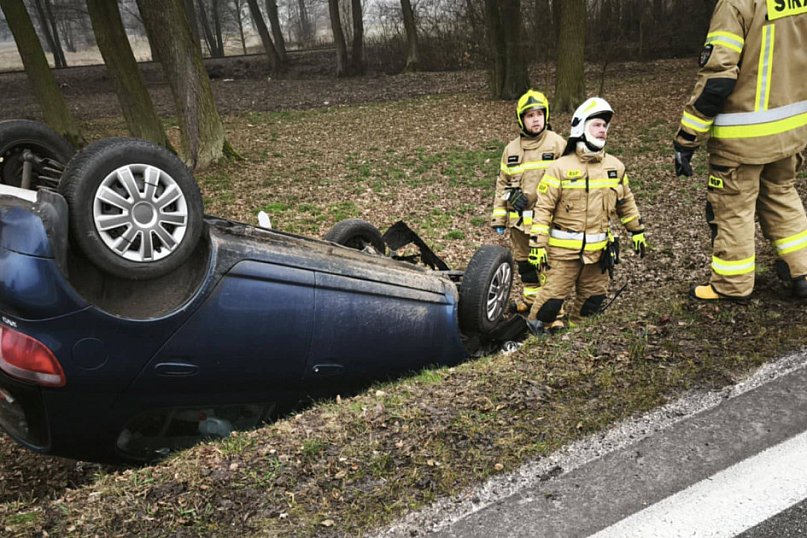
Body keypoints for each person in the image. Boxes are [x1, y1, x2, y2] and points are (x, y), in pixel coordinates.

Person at [673, 0, 807, 301]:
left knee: (732, 207)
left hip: (742, 135)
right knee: (781, 194)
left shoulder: (735, 5)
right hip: (791, 129)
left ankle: (731, 285)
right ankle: (803, 271)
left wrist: (688, 136)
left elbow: (718, 77)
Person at [526, 97, 646, 334]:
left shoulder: (615, 167)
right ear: (581, 127)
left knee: (593, 301)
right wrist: (537, 244)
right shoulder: (559, 168)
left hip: (598, 253)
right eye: (597, 125)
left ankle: (577, 338)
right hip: (563, 254)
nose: (602, 130)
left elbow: (626, 202)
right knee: (549, 305)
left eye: (604, 126)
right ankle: (535, 340)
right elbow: (543, 208)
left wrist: (637, 230)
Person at [490, 89, 566, 309]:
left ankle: (551, 310)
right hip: (518, 224)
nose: (536, 120)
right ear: (521, 119)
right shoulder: (511, 150)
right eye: (530, 115)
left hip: (547, 222)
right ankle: (531, 301)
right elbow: (502, 183)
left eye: (539, 114)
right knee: (525, 266)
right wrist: (500, 215)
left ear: (546, 115)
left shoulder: (557, 144)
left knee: (547, 266)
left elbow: (569, 182)